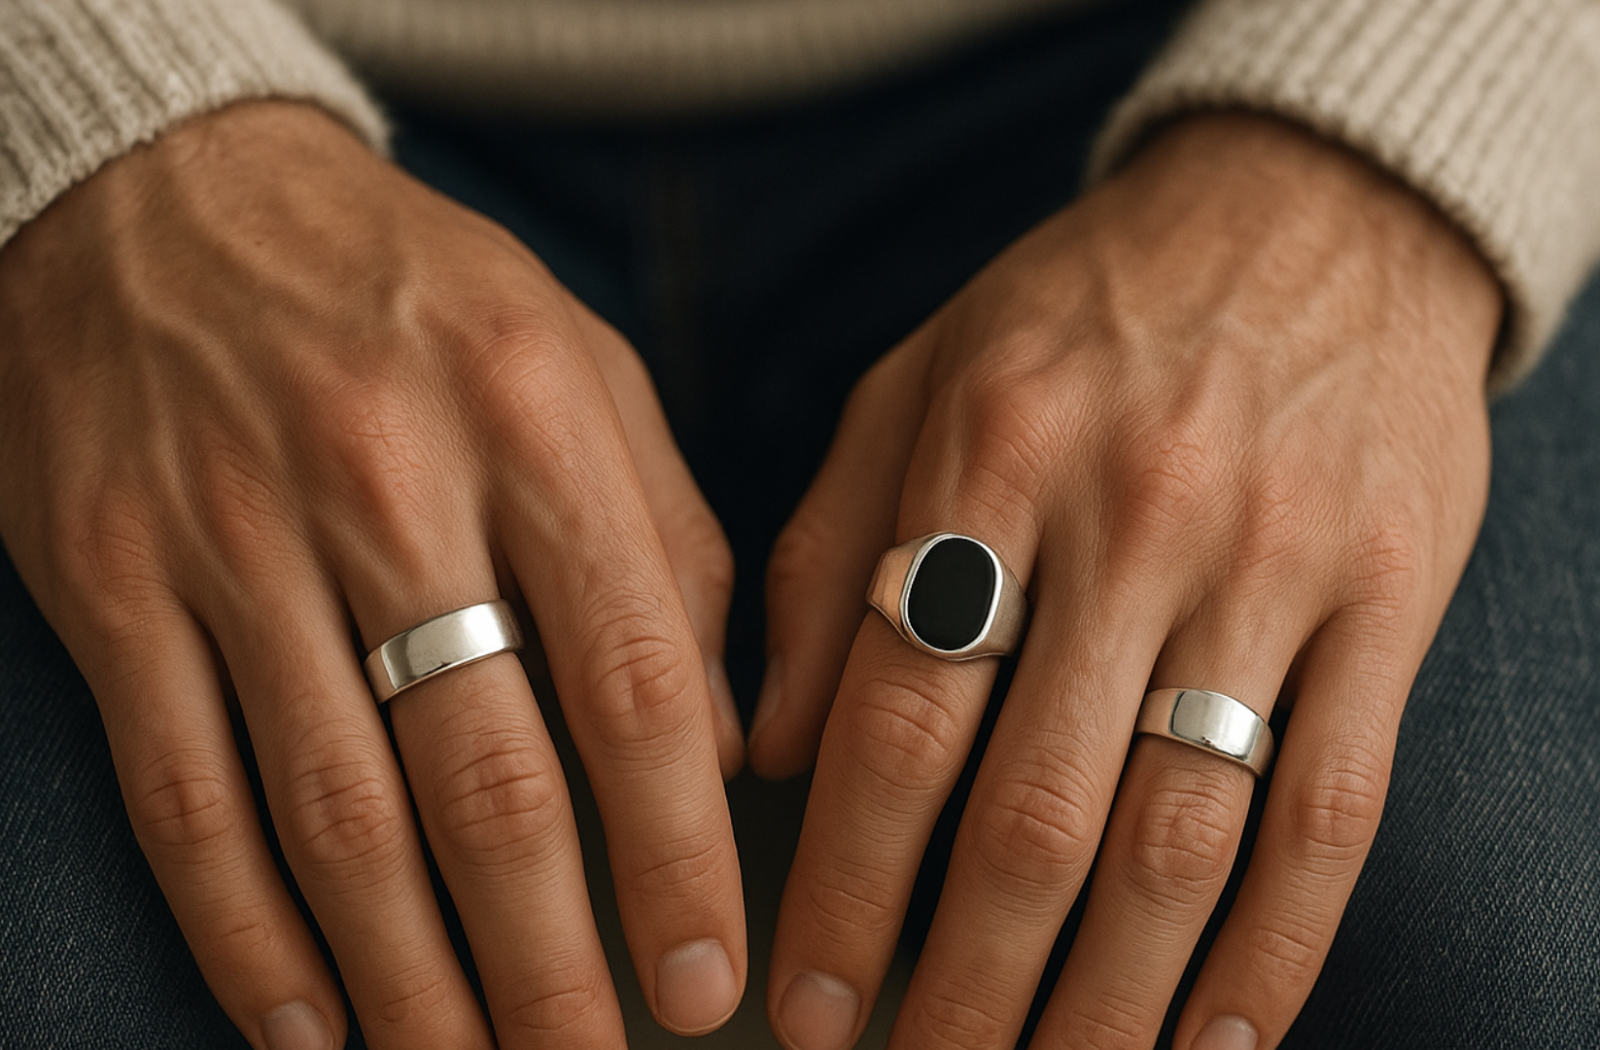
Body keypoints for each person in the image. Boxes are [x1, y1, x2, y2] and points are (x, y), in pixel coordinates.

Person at [1, 1, 1597, 1049]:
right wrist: (91, 127)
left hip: (1212, 74)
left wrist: (1378, 159)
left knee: (1535, 968)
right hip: (187, 110)